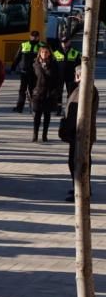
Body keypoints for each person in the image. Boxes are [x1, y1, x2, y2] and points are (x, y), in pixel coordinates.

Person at [60, 64, 99, 202]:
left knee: (79, 161)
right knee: (75, 161)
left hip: (81, 133)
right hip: (76, 133)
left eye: (78, 75)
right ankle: (79, 187)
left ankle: (82, 190)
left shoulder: (86, 89)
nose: (76, 77)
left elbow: (77, 113)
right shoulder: (80, 88)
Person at [30, 46, 61, 144]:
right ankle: (35, 135)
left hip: (49, 94)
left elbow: (58, 80)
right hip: (38, 93)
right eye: (42, 52)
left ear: (49, 54)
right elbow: (31, 80)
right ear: (39, 53)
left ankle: (44, 135)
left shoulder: (54, 65)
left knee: (47, 115)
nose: (44, 54)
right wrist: (31, 92)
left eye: (46, 52)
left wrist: (56, 92)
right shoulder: (35, 65)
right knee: (37, 115)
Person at [12, 30, 43, 112]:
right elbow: (17, 57)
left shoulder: (42, 45)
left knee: (33, 90)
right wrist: (13, 67)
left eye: (36, 36)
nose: (34, 37)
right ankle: (19, 107)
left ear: (38, 37)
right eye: (33, 36)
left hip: (35, 72)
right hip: (24, 71)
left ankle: (33, 107)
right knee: (22, 90)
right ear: (30, 36)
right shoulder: (24, 44)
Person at [54, 38, 80, 114]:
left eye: (65, 42)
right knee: (58, 93)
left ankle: (68, 110)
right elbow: (53, 66)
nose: (64, 44)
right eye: (62, 42)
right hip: (59, 76)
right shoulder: (55, 53)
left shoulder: (75, 53)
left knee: (71, 93)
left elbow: (79, 66)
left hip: (71, 77)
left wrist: (78, 76)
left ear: (69, 42)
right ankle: (58, 109)